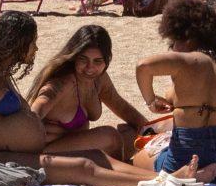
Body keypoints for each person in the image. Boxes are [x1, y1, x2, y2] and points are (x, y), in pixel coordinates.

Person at [0, 11, 209, 186]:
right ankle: (165, 182)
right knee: (82, 167)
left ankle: (168, 177)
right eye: (32, 42)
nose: (36, 48)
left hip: (13, 151)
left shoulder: (0, 74)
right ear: (16, 41)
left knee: (97, 156)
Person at [137, 0, 216, 185]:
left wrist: (151, 101)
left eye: (172, 42)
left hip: (188, 151)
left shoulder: (185, 61)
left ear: (187, 39)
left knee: (143, 157)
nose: (172, 49)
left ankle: (193, 175)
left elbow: (143, 66)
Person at [30, 24, 164, 163]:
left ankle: (115, 166)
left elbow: (121, 106)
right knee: (110, 136)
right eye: (83, 60)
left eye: (98, 61)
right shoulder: (61, 84)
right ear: (74, 57)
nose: (90, 68)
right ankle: (119, 169)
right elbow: (34, 112)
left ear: (106, 61)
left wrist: (150, 130)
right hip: (49, 153)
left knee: (133, 133)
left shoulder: (99, 79)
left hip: (78, 148)